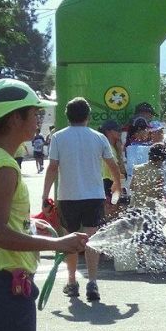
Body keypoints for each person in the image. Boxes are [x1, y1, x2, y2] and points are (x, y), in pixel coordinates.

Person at [0, 78, 87, 331]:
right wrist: (58, 244)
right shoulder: (5, 167)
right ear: (15, 118)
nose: (38, 120)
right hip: (6, 293)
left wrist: (24, 223)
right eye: (34, 113)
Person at [42, 97, 123, 302]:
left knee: (70, 239)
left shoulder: (58, 138)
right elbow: (113, 165)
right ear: (88, 116)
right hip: (93, 196)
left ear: (67, 116)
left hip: (68, 196)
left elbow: (52, 168)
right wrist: (117, 185)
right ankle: (92, 282)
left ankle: (71, 282)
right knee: (91, 239)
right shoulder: (98, 138)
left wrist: (45, 196)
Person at [129, 143, 166, 271]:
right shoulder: (159, 172)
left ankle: (141, 263)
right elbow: (159, 193)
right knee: (158, 236)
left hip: (136, 207)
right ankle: (164, 261)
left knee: (139, 236)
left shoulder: (137, 168)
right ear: (162, 158)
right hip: (150, 209)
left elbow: (132, 187)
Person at [99, 120, 128, 222]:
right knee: (111, 217)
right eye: (117, 130)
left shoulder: (113, 148)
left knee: (115, 216)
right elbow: (117, 169)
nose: (120, 132)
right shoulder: (108, 148)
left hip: (114, 184)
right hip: (109, 184)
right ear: (109, 132)